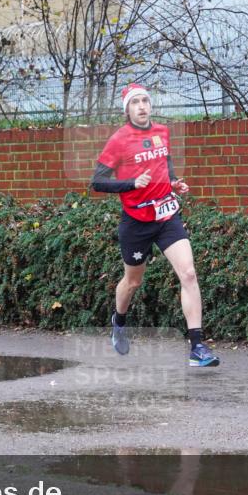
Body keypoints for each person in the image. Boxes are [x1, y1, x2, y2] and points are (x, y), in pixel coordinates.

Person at [90, 84, 219, 367]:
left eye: (145, 100)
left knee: (188, 273)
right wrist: (131, 184)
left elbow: (165, 164)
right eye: (135, 102)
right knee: (133, 281)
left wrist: (174, 182)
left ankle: (197, 346)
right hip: (136, 222)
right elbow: (97, 181)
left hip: (166, 216)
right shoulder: (119, 140)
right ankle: (119, 321)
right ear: (127, 109)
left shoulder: (162, 132)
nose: (141, 106)